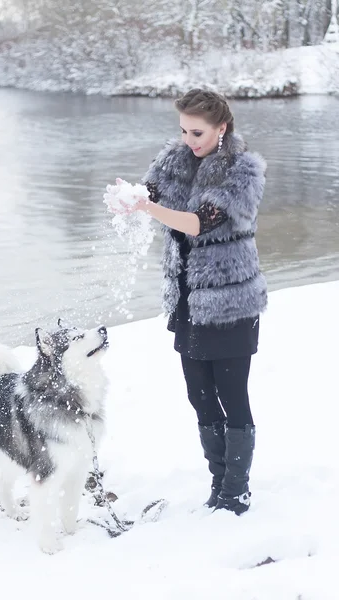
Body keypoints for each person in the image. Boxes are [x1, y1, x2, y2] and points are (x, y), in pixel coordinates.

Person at [113, 89, 267, 515]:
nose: (188, 139)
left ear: (222, 127)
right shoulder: (174, 157)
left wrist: (148, 209)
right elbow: (150, 189)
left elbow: (200, 223)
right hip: (186, 297)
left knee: (232, 395)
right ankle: (218, 484)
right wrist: (130, 198)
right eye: (182, 130)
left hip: (230, 298)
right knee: (199, 395)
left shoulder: (242, 170)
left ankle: (237, 490)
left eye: (196, 132)